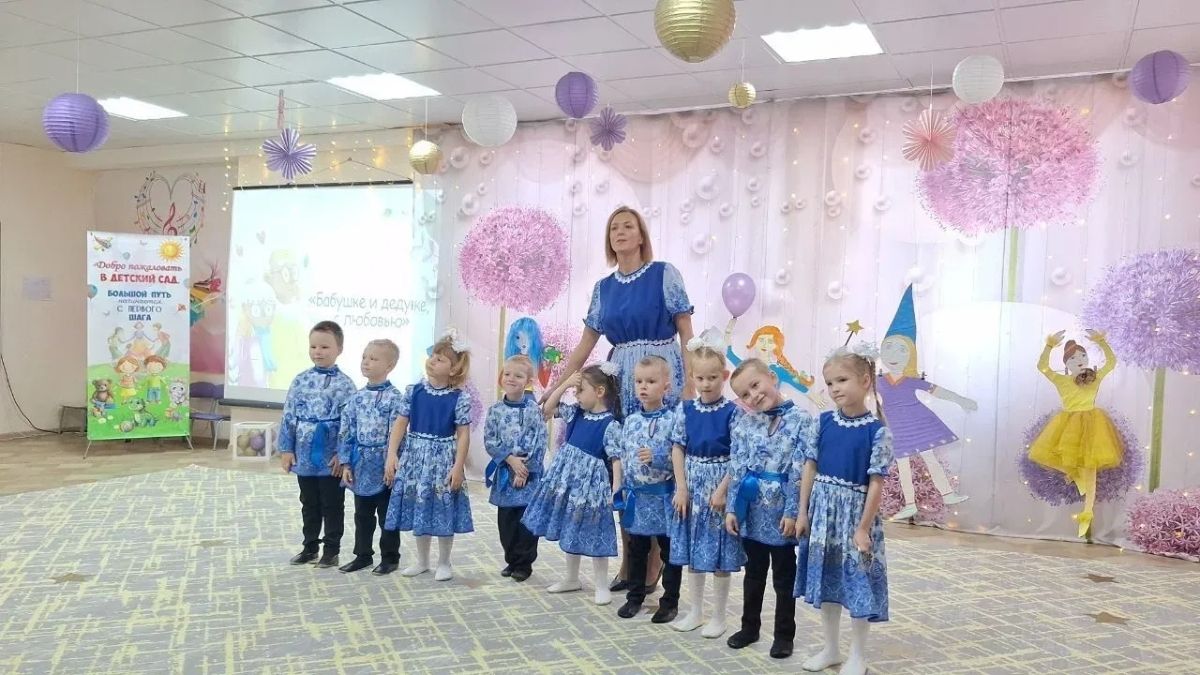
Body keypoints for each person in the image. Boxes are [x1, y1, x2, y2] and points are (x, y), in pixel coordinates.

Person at [549, 206, 695, 594]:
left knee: (658, 463)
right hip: (620, 378)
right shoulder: (603, 288)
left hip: (660, 372)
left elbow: (687, 332)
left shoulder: (664, 273)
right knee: (624, 466)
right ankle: (631, 558)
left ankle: (655, 559)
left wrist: (689, 383)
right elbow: (584, 347)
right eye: (614, 227)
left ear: (641, 235)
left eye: (628, 226)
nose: (620, 232)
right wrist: (556, 386)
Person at [795, 343, 893, 675]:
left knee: (857, 582)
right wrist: (803, 512)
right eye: (830, 383)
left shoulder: (877, 432)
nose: (834, 388)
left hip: (855, 518)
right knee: (829, 581)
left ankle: (858, 655)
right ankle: (831, 648)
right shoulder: (822, 422)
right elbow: (809, 467)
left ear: (865, 381)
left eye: (842, 380)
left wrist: (863, 528)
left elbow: (876, 483)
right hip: (823, 514)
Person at [724, 358, 815, 659]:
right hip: (752, 510)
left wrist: (792, 511)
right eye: (745, 394)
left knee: (783, 576)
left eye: (755, 385)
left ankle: (784, 635)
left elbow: (800, 469)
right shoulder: (744, 423)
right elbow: (737, 466)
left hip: (781, 513)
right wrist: (732, 508)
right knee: (753, 573)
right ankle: (749, 627)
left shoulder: (802, 420)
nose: (753, 395)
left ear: (771, 377)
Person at [522, 363, 623, 606]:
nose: (576, 395)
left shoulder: (610, 424)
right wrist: (566, 384)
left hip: (591, 484)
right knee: (570, 525)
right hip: (567, 480)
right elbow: (547, 408)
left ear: (599, 392)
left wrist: (616, 488)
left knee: (596, 530)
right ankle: (571, 577)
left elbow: (617, 458)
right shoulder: (576, 412)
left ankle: (601, 584)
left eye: (580, 390)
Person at [668, 336, 744, 638]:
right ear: (692, 377)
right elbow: (678, 448)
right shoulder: (685, 409)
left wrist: (723, 490)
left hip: (718, 487)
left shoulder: (733, 412)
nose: (706, 384)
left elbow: (739, 455)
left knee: (719, 551)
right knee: (694, 548)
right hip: (691, 486)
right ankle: (696, 611)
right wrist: (681, 487)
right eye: (700, 378)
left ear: (724, 376)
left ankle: (719, 616)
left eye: (712, 377)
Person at [384, 328, 474, 581]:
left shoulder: (459, 398)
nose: (433, 360)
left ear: (454, 370)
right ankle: (422, 561)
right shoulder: (414, 391)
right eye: (433, 355)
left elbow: (463, 435)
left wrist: (458, 467)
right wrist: (392, 454)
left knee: (443, 507)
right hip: (415, 458)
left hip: (443, 459)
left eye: (440, 359)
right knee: (420, 506)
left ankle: (444, 562)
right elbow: (400, 423)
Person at [878, 285, 974, 520]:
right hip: (897, 427)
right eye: (888, 348)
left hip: (918, 423)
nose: (893, 355)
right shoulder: (878, 380)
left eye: (901, 350)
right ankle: (910, 503)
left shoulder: (912, 380)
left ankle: (947, 494)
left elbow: (936, 391)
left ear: (911, 353)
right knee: (902, 465)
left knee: (929, 458)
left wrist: (960, 400)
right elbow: (862, 390)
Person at [278, 321, 357, 569]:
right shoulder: (300, 380)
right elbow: (289, 415)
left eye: (324, 347)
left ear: (339, 349)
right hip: (304, 453)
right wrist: (286, 449)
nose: (318, 352)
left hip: (331, 456)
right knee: (308, 501)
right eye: (313, 346)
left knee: (332, 503)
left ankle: (331, 550)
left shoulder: (346, 384)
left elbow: (350, 423)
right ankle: (309, 547)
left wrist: (342, 454)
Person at [1028, 329, 1121, 538]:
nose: (1078, 360)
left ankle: (1087, 513)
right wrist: (1049, 346)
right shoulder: (1062, 380)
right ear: (1066, 363)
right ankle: (1074, 474)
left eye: (1082, 356)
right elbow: (1042, 367)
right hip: (1068, 424)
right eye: (1072, 358)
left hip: (1093, 425)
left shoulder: (1094, 378)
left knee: (1091, 470)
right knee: (1045, 456)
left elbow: (1111, 363)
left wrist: (1101, 342)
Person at [612, 356, 683, 622]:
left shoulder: (673, 420)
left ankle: (670, 601)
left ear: (666, 386)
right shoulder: (630, 421)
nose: (643, 386)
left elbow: (681, 457)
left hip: (663, 497)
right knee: (637, 549)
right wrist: (621, 485)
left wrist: (658, 457)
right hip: (637, 497)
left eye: (651, 381)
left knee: (669, 550)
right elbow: (623, 454)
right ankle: (635, 597)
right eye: (639, 381)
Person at [336, 339, 403, 575]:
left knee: (387, 515)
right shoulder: (356, 398)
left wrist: (393, 462)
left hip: (385, 464)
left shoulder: (396, 398)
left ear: (390, 366)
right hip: (361, 464)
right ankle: (362, 555)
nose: (366, 362)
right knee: (362, 514)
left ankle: (390, 557)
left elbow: (398, 433)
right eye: (364, 357)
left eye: (373, 359)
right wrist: (346, 463)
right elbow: (347, 430)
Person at [484, 355, 548, 583]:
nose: (511, 379)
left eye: (518, 376)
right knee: (506, 523)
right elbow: (490, 440)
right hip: (505, 472)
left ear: (528, 381)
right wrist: (510, 460)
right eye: (507, 374)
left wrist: (525, 470)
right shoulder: (495, 410)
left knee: (526, 522)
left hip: (527, 476)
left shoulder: (533, 410)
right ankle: (511, 560)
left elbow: (540, 441)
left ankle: (524, 564)